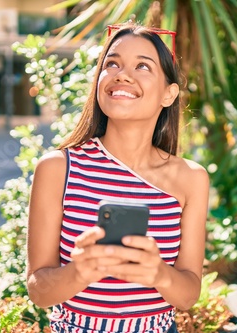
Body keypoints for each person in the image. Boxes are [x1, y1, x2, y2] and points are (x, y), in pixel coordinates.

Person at [26, 22, 210, 333]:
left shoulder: (191, 178)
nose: (122, 74)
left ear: (169, 94)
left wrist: (157, 273)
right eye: (112, 63)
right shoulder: (57, 168)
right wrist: (79, 272)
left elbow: (189, 294)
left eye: (143, 66)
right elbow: (38, 290)